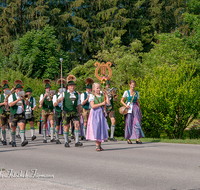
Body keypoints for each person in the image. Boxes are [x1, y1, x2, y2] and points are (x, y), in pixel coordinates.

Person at [57, 75, 82, 148]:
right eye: (71, 86)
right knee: (66, 126)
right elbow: (57, 102)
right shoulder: (64, 93)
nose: (72, 87)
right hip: (66, 111)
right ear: (68, 87)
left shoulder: (77, 94)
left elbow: (79, 104)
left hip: (74, 111)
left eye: (73, 86)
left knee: (77, 124)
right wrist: (60, 99)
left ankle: (77, 141)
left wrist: (79, 112)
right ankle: (66, 141)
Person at [86, 83, 110, 151]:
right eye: (97, 88)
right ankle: (97, 145)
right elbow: (93, 106)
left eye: (99, 88)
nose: (98, 89)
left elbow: (108, 103)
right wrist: (102, 104)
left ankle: (100, 145)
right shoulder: (92, 96)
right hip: (95, 113)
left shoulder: (102, 95)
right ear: (93, 89)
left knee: (101, 128)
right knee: (96, 128)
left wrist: (107, 95)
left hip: (101, 113)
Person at [120, 80, 144, 144]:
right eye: (132, 84)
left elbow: (138, 102)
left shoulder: (136, 93)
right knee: (128, 122)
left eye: (134, 85)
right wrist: (126, 105)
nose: (133, 86)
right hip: (129, 108)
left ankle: (137, 138)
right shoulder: (126, 92)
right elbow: (121, 101)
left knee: (137, 122)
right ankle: (128, 139)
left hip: (135, 108)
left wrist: (140, 111)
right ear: (130, 85)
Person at [8, 80, 28, 147]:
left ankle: (22, 141)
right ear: (15, 90)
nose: (19, 90)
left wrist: (25, 99)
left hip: (20, 113)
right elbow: (10, 104)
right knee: (13, 128)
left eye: (20, 89)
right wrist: (17, 100)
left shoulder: (22, 95)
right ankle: (13, 141)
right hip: (13, 114)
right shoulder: (11, 96)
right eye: (18, 89)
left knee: (22, 126)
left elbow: (27, 104)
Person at [53, 78, 66, 144]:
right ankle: (57, 138)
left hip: (64, 111)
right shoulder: (55, 95)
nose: (62, 90)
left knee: (66, 125)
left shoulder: (65, 95)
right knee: (57, 125)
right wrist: (59, 100)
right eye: (61, 88)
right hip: (58, 112)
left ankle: (66, 138)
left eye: (63, 88)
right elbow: (54, 104)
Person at [0, 81, 10, 145]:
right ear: (3, 90)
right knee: (3, 126)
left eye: (7, 89)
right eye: (5, 89)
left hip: (9, 112)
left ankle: (12, 140)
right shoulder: (0, 96)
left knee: (12, 126)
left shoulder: (11, 95)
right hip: (3, 112)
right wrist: (3, 103)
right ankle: (4, 139)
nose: (6, 90)